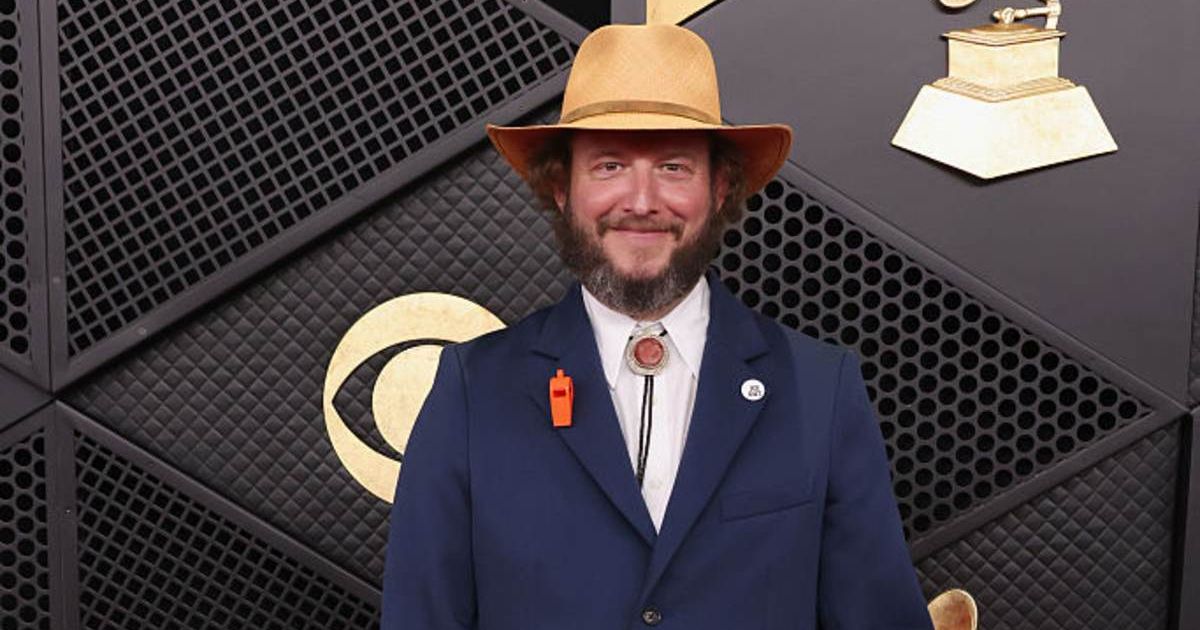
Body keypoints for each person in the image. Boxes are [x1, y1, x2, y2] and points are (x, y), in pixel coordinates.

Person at [380, 23, 933, 630]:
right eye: (610, 165)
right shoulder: (471, 389)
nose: (641, 201)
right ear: (562, 188)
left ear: (720, 189)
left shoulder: (822, 390)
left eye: (673, 166)